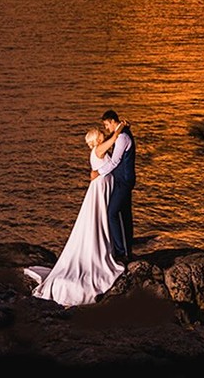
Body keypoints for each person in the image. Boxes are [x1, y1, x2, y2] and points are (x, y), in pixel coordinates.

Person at [23, 122, 128, 307]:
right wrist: (121, 127)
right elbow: (113, 140)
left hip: (102, 188)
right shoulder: (98, 149)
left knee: (101, 221)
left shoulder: (97, 151)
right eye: (100, 134)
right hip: (100, 190)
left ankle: (109, 248)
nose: (103, 134)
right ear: (97, 138)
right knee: (99, 221)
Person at [93, 109, 136, 264]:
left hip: (124, 180)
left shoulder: (123, 138)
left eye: (106, 125)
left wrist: (98, 172)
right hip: (122, 179)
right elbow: (114, 136)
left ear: (112, 121)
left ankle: (122, 252)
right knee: (124, 214)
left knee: (112, 213)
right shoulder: (120, 133)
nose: (106, 128)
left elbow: (115, 161)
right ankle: (126, 250)